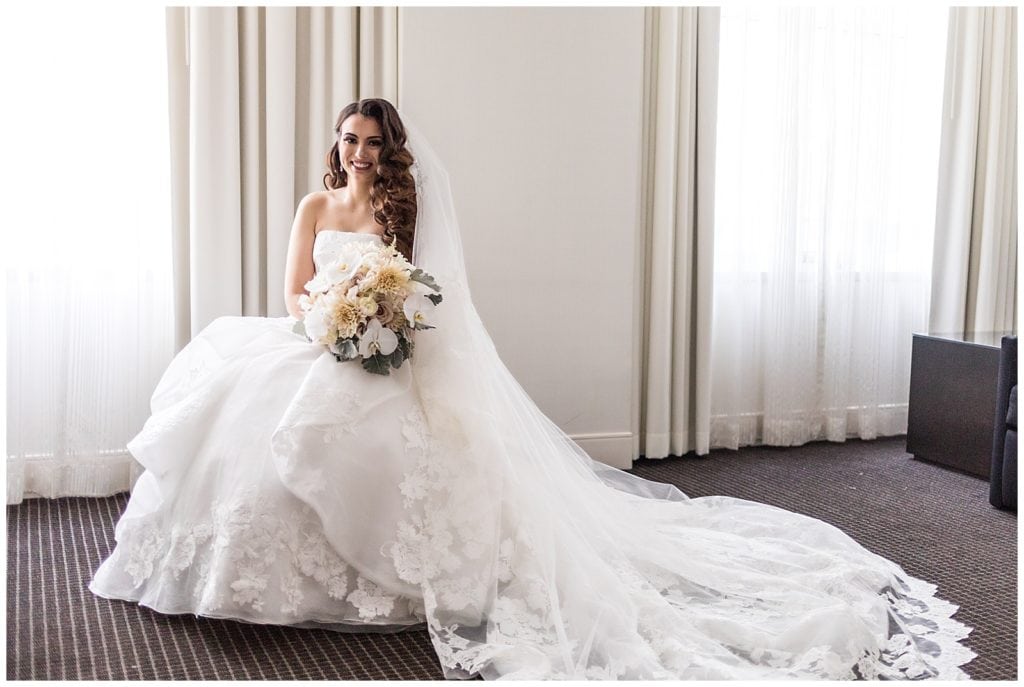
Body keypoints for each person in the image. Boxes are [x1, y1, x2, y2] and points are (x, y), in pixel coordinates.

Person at [91, 98, 975, 680]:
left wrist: (377, 326)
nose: (357, 153)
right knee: (245, 423)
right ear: (336, 144)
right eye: (347, 140)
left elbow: (419, 287)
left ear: (389, 151)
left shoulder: (403, 207)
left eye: (370, 142)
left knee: (375, 439)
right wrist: (324, 319)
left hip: (383, 348)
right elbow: (290, 288)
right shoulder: (315, 208)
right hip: (313, 338)